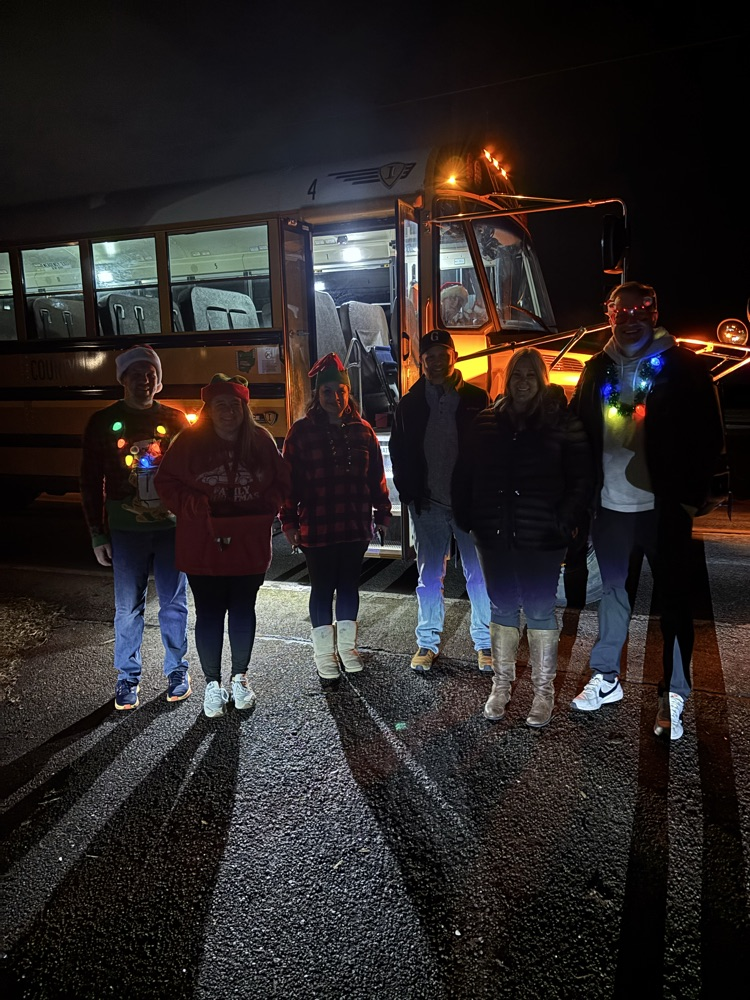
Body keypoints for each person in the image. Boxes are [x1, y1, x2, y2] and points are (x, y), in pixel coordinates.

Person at [569, 281, 725, 740]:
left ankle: (674, 690)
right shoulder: (596, 368)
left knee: (674, 599)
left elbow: (709, 435)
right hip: (610, 508)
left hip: (663, 507)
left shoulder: (685, 367)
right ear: (608, 315)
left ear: (655, 314)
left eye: (641, 310)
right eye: (622, 311)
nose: (631, 318)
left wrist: (690, 496)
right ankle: (607, 678)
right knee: (612, 594)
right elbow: (577, 431)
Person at [453, 349, 594, 726]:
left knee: (539, 610)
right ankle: (501, 687)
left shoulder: (562, 422)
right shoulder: (485, 421)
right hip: (493, 533)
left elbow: (582, 478)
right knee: (501, 608)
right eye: (517, 375)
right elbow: (464, 472)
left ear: (542, 380)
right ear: (507, 378)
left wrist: (564, 520)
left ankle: (543, 693)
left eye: (531, 375)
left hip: (542, 536)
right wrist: (468, 515)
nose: (523, 382)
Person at [154, 374, 290, 718]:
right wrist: (194, 504)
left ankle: (240, 677)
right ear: (209, 410)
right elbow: (165, 482)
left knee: (244, 609)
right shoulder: (189, 442)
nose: (229, 411)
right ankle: (213, 683)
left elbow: (282, 480)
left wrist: (268, 505)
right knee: (210, 612)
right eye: (221, 405)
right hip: (203, 544)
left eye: (235, 405)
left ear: (245, 408)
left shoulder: (260, 440)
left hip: (248, 543)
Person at [80, 344, 191, 711]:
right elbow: (89, 480)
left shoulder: (177, 420)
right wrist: (97, 532)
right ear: (122, 379)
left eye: (150, 374)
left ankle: (177, 670)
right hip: (126, 531)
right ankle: (128, 676)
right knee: (128, 607)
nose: (144, 380)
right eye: (136, 374)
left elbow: (192, 475)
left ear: (158, 380)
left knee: (173, 604)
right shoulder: (102, 421)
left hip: (171, 529)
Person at [279, 353, 391, 680]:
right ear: (317, 394)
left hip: (354, 524)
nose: (335, 397)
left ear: (348, 393)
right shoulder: (300, 432)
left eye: (340, 391)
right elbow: (288, 483)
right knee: (322, 587)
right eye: (327, 391)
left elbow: (376, 478)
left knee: (349, 586)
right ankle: (324, 653)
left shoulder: (364, 430)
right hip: (316, 524)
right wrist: (289, 521)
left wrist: (382, 514)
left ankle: (346, 648)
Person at [389, 329, 493, 672]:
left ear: (454, 357)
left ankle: (485, 644)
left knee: (480, 575)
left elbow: (490, 448)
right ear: (422, 362)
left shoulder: (478, 398)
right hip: (428, 504)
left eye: (442, 355)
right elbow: (398, 450)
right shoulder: (409, 403)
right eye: (429, 356)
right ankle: (427, 642)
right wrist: (408, 491)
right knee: (429, 577)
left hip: (469, 505)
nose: (436, 362)